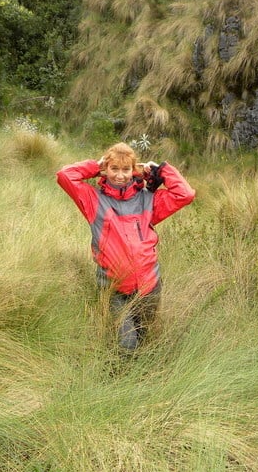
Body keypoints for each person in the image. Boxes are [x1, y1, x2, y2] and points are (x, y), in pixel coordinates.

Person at [56, 142, 195, 352]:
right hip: (113, 289)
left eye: (125, 169)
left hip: (149, 285)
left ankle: (143, 379)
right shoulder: (93, 199)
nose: (120, 176)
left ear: (133, 171)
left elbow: (185, 194)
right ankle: (120, 377)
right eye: (114, 169)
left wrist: (162, 170)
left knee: (145, 335)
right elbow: (65, 175)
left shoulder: (148, 200)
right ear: (106, 169)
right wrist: (95, 165)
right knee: (127, 345)